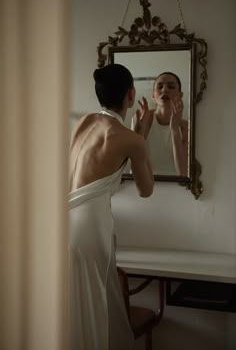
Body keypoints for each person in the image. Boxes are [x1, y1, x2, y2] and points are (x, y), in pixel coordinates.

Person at [68, 63, 154, 350]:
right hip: (90, 226)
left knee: (73, 304)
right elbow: (145, 190)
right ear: (131, 94)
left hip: (63, 221)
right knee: (95, 301)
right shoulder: (131, 139)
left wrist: (137, 136)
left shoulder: (84, 123)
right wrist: (142, 137)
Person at [134, 72, 188, 176]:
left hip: (176, 188)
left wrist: (174, 129)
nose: (165, 90)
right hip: (147, 185)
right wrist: (139, 131)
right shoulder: (142, 119)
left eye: (171, 87)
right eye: (160, 87)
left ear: (180, 95)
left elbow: (183, 174)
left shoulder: (185, 126)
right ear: (153, 95)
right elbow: (134, 165)